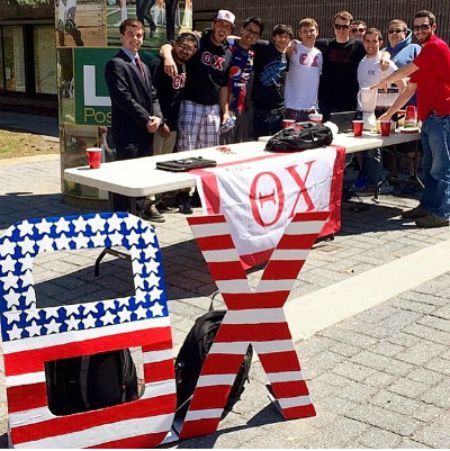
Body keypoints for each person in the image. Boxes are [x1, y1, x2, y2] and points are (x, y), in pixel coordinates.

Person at [374, 10, 450, 228]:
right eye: (416, 27)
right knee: (429, 167)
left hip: (442, 116)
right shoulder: (425, 54)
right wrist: (390, 113)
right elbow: (410, 88)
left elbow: (407, 70)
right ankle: (428, 207)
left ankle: (443, 213)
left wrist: (385, 81)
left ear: (433, 27)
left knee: (442, 168)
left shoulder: (435, 47)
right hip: (430, 118)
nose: (420, 31)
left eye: (424, 26)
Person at [105, 19, 164, 222]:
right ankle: (125, 220)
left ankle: (140, 216)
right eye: (131, 34)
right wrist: (146, 119)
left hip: (145, 133)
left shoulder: (144, 66)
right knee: (126, 178)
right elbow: (123, 98)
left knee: (141, 176)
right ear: (121, 36)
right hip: (128, 132)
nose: (135, 39)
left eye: (139, 35)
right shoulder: (116, 64)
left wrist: (158, 117)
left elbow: (153, 95)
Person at [160, 9, 235, 151]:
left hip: (212, 108)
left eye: (227, 26)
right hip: (190, 103)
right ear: (213, 24)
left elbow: (223, 85)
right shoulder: (198, 41)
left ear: (230, 30)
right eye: (220, 24)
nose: (223, 29)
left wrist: (225, 111)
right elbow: (168, 45)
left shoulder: (228, 53)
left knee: (210, 152)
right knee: (186, 151)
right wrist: (168, 58)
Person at [353, 28, 406, 194]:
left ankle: (376, 185)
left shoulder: (385, 63)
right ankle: (367, 182)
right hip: (361, 112)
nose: (370, 45)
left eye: (374, 41)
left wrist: (392, 110)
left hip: (378, 114)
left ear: (380, 42)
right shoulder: (362, 61)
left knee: (373, 151)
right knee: (361, 151)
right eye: (367, 41)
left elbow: (404, 87)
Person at [383, 18, 422, 187]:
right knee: (390, 145)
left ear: (406, 33)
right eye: (390, 31)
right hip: (386, 105)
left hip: (410, 104)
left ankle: (412, 178)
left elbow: (421, 73)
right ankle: (393, 179)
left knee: (410, 146)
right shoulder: (383, 52)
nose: (393, 34)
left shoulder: (414, 48)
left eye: (397, 30)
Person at [316, 11, 366, 120]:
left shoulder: (359, 47)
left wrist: (385, 56)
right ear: (333, 27)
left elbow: (377, 53)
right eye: (338, 26)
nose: (341, 30)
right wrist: (293, 43)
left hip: (348, 102)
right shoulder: (322, 44)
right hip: (326, 102)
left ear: (350, 27)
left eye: (345, 27)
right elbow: (304, 44)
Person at [221, 16, 263, 144]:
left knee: (240, 148)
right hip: (227, 109)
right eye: (249, 30)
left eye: (255, 33)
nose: (251, 34)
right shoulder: (228, 48)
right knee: (224, 148)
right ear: (241, 29)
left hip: (245, 110)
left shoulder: (253, 53)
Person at [252, 24, 293, 138]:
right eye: (280, 36)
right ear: (274, 37)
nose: (283, 39)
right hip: (261, 110)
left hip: (279, 110)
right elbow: (245, 40)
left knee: (278, 143)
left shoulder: (286, 56)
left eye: (286, 37)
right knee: (260, 143)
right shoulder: (264, 46)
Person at [284, 18, 322, 122]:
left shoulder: (319, 54)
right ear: (300, 34)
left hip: (313, 109)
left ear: (317, 32)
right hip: (293, 108)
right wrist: (291, 43)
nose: (309, 34)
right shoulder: (293, 48)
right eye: (305, 31)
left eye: (311, 30)